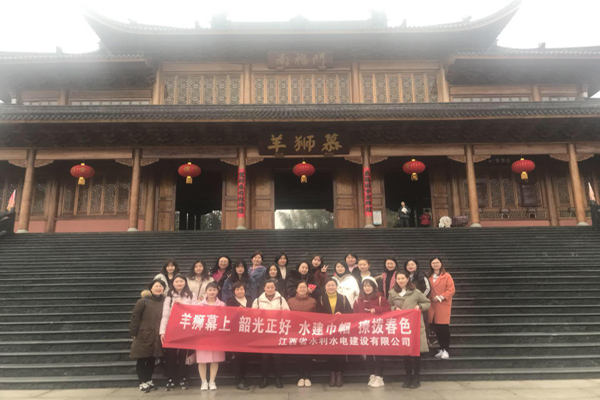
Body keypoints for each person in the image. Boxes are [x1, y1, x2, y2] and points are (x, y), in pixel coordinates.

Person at [388, 271, 431, 389]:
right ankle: (408, 377)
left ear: (407, 279)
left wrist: (420, 306)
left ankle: (416, 378)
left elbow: (427, 302)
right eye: (398, 279)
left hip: (415, 326)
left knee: (416, 353)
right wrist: (393, 309)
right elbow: (388, 305)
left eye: (403, 278)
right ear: (396, 280)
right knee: (406, 353)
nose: (401, 281)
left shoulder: (416, 292)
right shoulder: (392, 292)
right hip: (401, 326)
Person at [353, 277, 391, 388]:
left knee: (378, 354)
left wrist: (377, 309)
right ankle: (372, 374)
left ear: (374, 287)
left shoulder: (380, 299)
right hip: (365, 330)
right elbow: (354, 315)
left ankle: (379, 376)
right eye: (365, 286)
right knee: (368, 353)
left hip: (378, 330)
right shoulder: (358, 300)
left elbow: (388, 310)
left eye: (369, 286)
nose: (367, 288)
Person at [159, 274, 195, 391]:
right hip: (172, 328)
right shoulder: (169, 297)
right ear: (173, 283)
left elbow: (195, 311)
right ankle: (171, 378)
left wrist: (182, 305)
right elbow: (165, 315)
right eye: (176, 281)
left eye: (181, 281)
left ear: (185, 282)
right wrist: (162, 332)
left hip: (186, 328)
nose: (179, 283)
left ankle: (183, 377)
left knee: (184, 354)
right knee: (171, 354)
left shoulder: (191, 295)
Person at [129, 279, 165, 393]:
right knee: (142, 358)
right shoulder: (143, 301)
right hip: (143, 334)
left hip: (156, 335)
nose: (158, 288)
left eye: (161, 286)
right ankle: (142, 381)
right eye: (156, 286)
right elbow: (135, 317)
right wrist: (134, 332)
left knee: (151, 359)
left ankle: (148, 379)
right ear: (151, 288)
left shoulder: (164, 301)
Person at [253, 279, 290, 388]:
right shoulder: (258, 301)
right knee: (265, 357)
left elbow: (287, 314)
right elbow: (253, 315)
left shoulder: (281, 299)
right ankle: (264, 379)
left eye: (272, 287)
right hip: (264, 333)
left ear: (275, 288)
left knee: (278, 357)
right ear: (264, 288)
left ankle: (278, 379)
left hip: (278, 333)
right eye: (268, 287)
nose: (270, 289)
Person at [317, 278, 353, 387]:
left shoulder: (343, 298)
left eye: (333, 285)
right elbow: (317, 314)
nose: (331, 287)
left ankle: (340, 374)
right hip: (327, 330)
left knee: (341, 352)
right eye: (328, 285)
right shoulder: (321, 299)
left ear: (336, 286)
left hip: (340, 330)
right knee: (330, 353)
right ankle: (332, 374)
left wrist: (342, 315)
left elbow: (350, 312)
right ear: (325, 287)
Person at [196, 282, 226, 391]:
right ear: (206, 291)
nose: (212, 292)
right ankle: (203, 381)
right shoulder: (199, 305)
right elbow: (196, 319)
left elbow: (224, 319)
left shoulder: (222, 304)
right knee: (202, 360)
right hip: (202, 336)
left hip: (216, 336)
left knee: (215, 359)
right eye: (209, 290)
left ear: (217, 291)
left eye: (214, 290)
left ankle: (212, 381)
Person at [287, 281, 317, 387]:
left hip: (309, 332)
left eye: (304, 287)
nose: (302, 289)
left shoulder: (313, 301)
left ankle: (308, 376)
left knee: (308, 355)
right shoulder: (290, 301)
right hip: (295, 332)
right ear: (296, 289)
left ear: (307, 289)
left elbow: (317, 316)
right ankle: (300, 377)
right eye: (300, 287)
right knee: (298, 355)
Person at [225, 282, 252, 391]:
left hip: (248, 332)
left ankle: (243, 378)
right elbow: (228, 317)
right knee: (238, 357)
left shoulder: (250, 299)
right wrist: (237, 312)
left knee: (246, 357)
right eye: (237, 290)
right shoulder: (230, 301)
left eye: (241, 289)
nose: (240, 291)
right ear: (234, 291)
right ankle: (238, 380)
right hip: (235, 334)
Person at [428, 257, 455, 360]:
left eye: (437, 262)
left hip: (442, 305)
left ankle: (446, 349)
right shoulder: (429, 276)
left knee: (443, 328)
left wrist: (440, 297)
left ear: (441, 264)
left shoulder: (447, 276)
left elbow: (451, 290)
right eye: (433, 263)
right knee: (436, 328)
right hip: (431, 305)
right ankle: (441, 348)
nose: (435, 264)